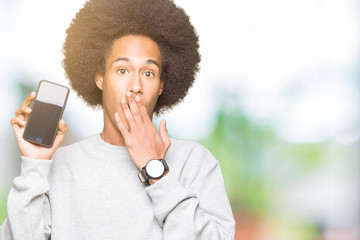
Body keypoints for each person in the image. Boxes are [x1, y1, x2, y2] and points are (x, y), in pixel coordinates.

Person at [0, 0, 236, 239]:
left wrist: (156, 170)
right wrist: (34, 166)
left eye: (148, 73)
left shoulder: (194, 162)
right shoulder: (59, 166)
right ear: (100, 78)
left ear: (161, 86)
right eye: (122, 70)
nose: (135, 86)